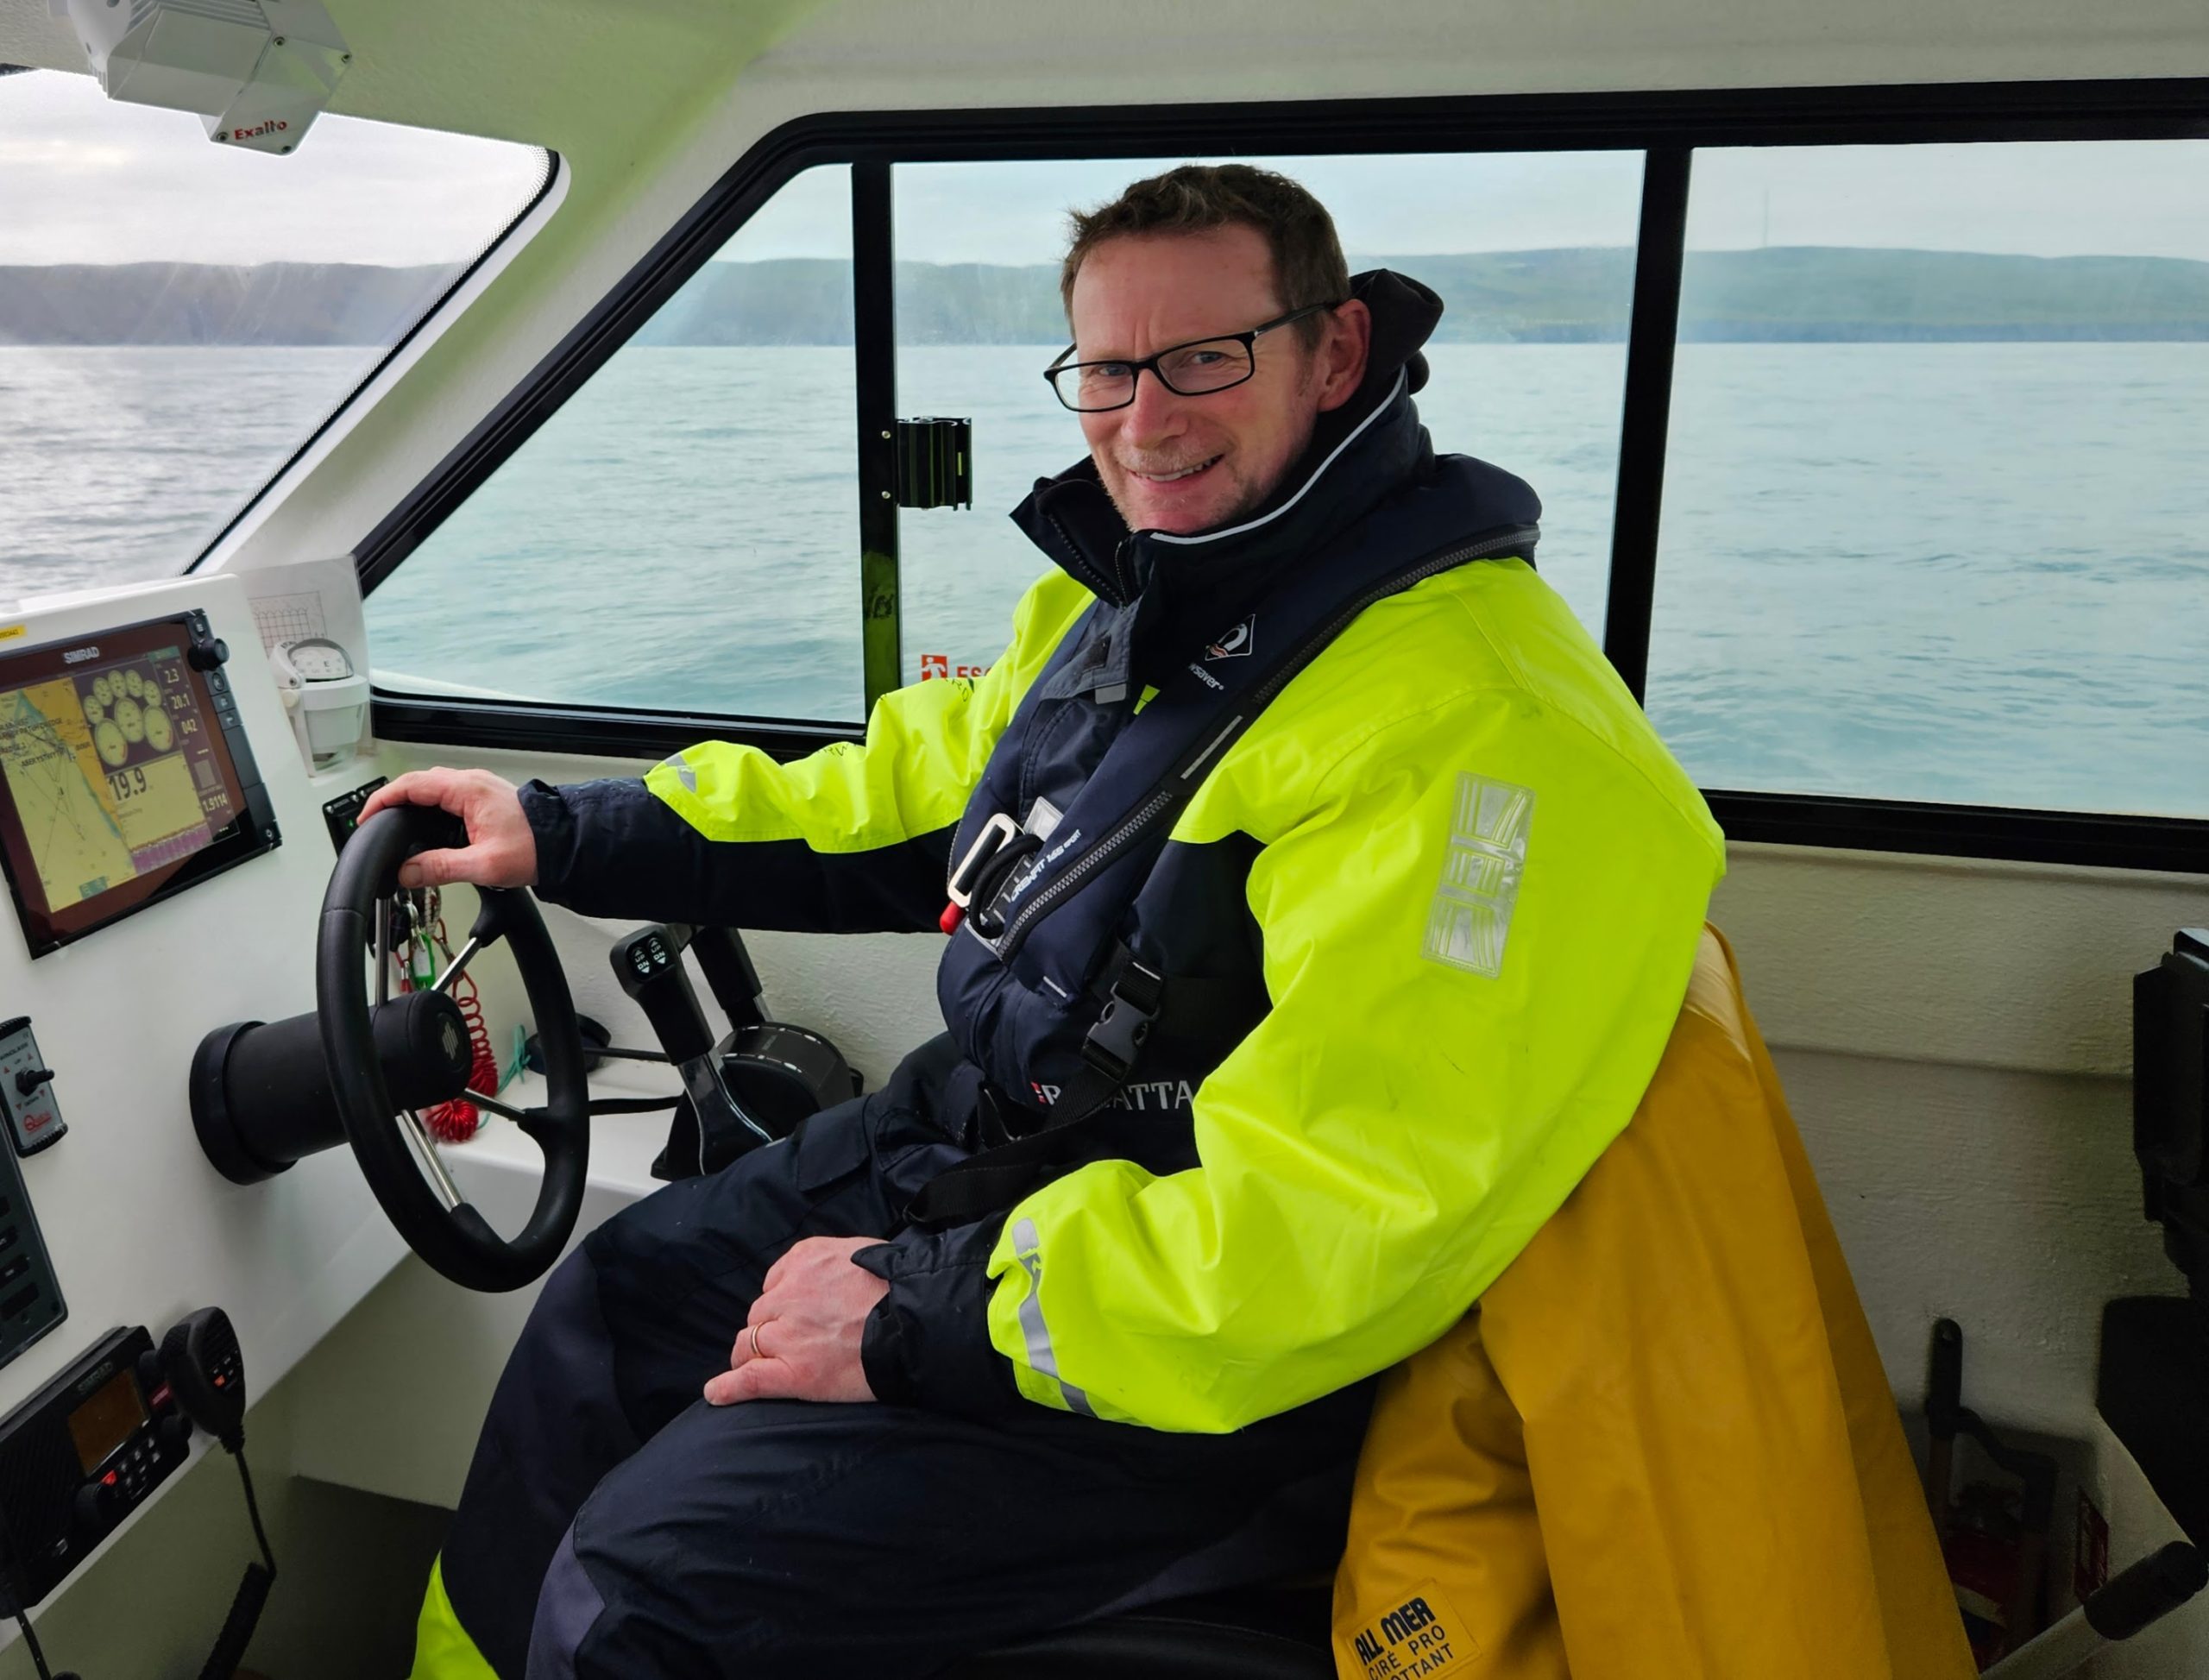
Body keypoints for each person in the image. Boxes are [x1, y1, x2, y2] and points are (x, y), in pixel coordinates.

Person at [385, 164, 1725, 1677]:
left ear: (1335, 352)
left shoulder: (1488, 741)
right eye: (1105, 369)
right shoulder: (1155, 603)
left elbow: (1329, 1229)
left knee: (642, 1592)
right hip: (993, 1163)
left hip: (1187, 1348)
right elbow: (919, 801)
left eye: (1204, 358)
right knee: (609, 1318)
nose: (1142, 421)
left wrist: (907, 1318)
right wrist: (565, 834)